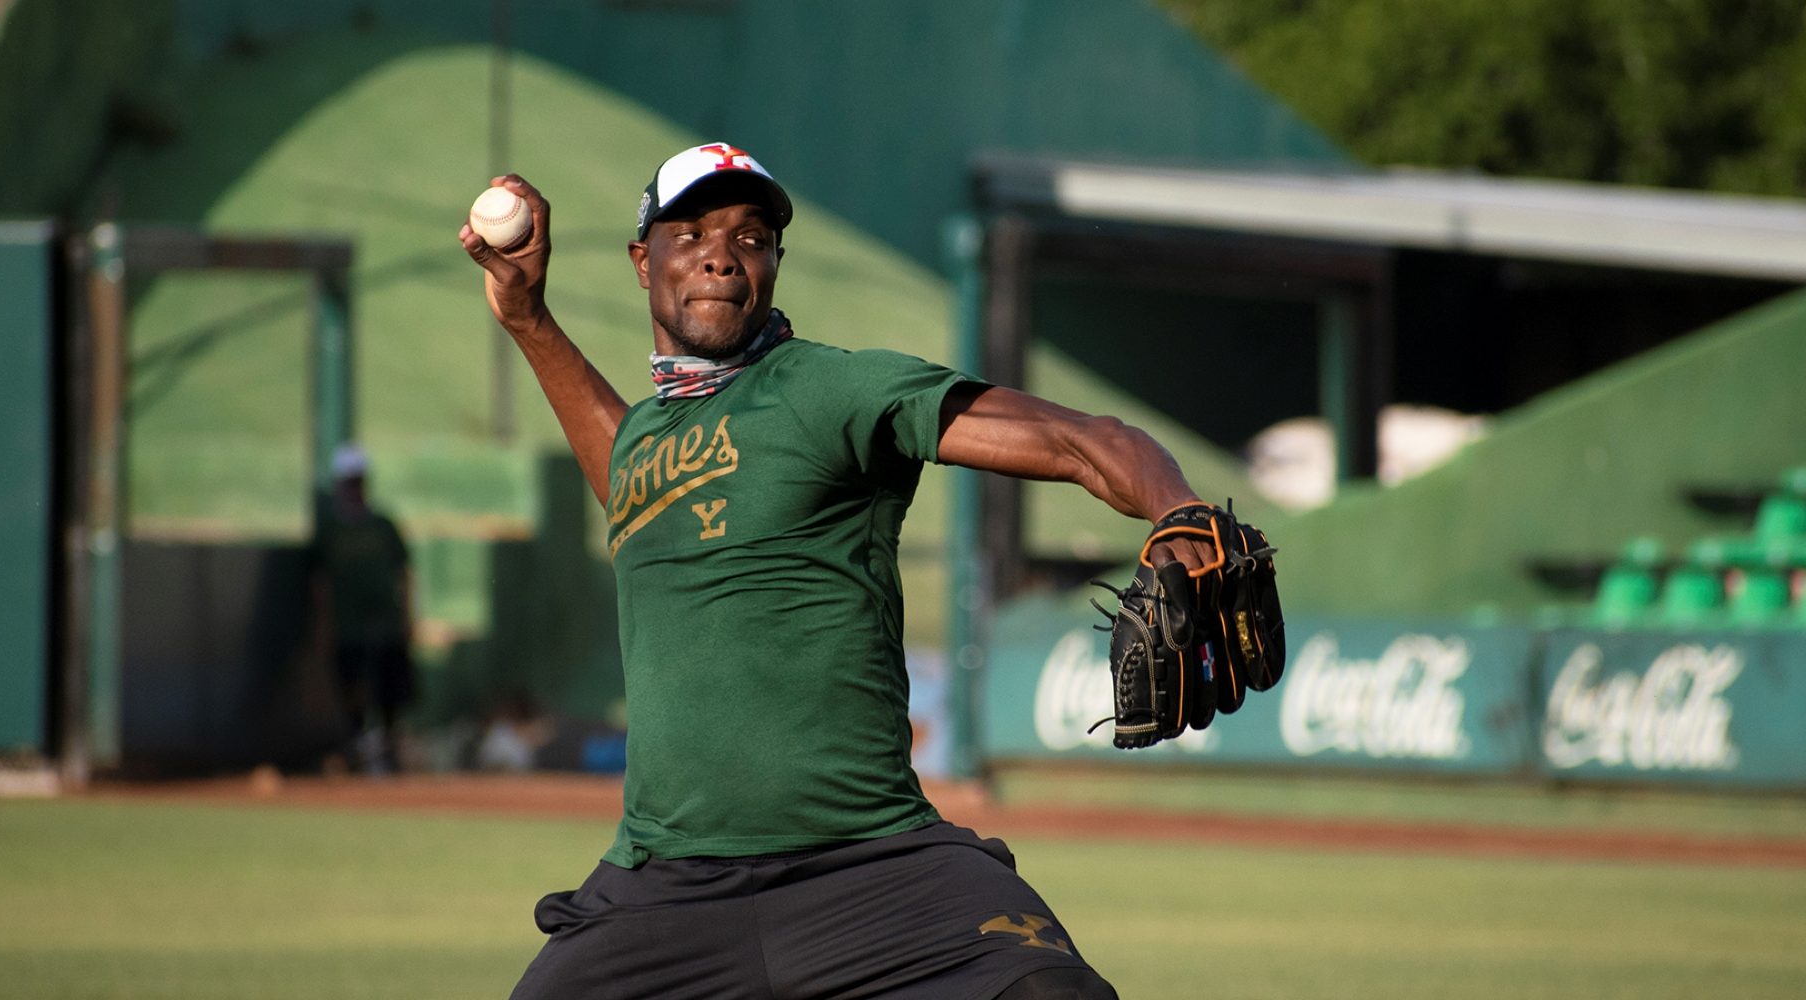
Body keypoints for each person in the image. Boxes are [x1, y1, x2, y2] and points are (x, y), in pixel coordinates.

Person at [460, 143, 1214, 1000]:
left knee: (1050, 993)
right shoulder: (645, 447)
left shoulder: (833, 390)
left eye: (750, 237)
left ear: (774, 264)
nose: (721, 252)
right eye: (693, 231)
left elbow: (1081, 439)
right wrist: (528, 319)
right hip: (663, 891)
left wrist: (1176, 508)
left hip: (876, 873)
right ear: (644, 261)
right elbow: (625, 475)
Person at [308, 443, 415, 775]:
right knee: (352, 690)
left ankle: (389, 752)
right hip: (348, 625)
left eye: (359, 480)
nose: (355, 487)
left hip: (387, 624)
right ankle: (357, 750)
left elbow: (405, 573)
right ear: (340, 483)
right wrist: (323, 627)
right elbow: (320, 583)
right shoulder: (330, 530)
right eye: (349, 481)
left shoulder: (383, 524)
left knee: (390, 693)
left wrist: (410, 618)